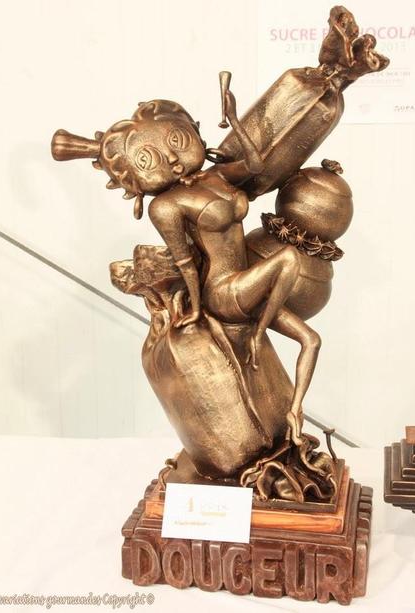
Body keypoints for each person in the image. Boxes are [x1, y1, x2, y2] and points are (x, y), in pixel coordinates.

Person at [51, 85, 321, 441]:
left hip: (248, 286)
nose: (173, 161)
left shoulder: (215, 176)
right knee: (287, 258)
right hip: (223, 293)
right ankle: (258, 332)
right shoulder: (164, 207)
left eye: (176, 141)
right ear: (133, 178)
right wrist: (195, 308)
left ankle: (294, 417)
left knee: (311, 340)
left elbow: (256, 165)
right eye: (148, 160)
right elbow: (185, 263)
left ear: (192, 130)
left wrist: (235, 119)